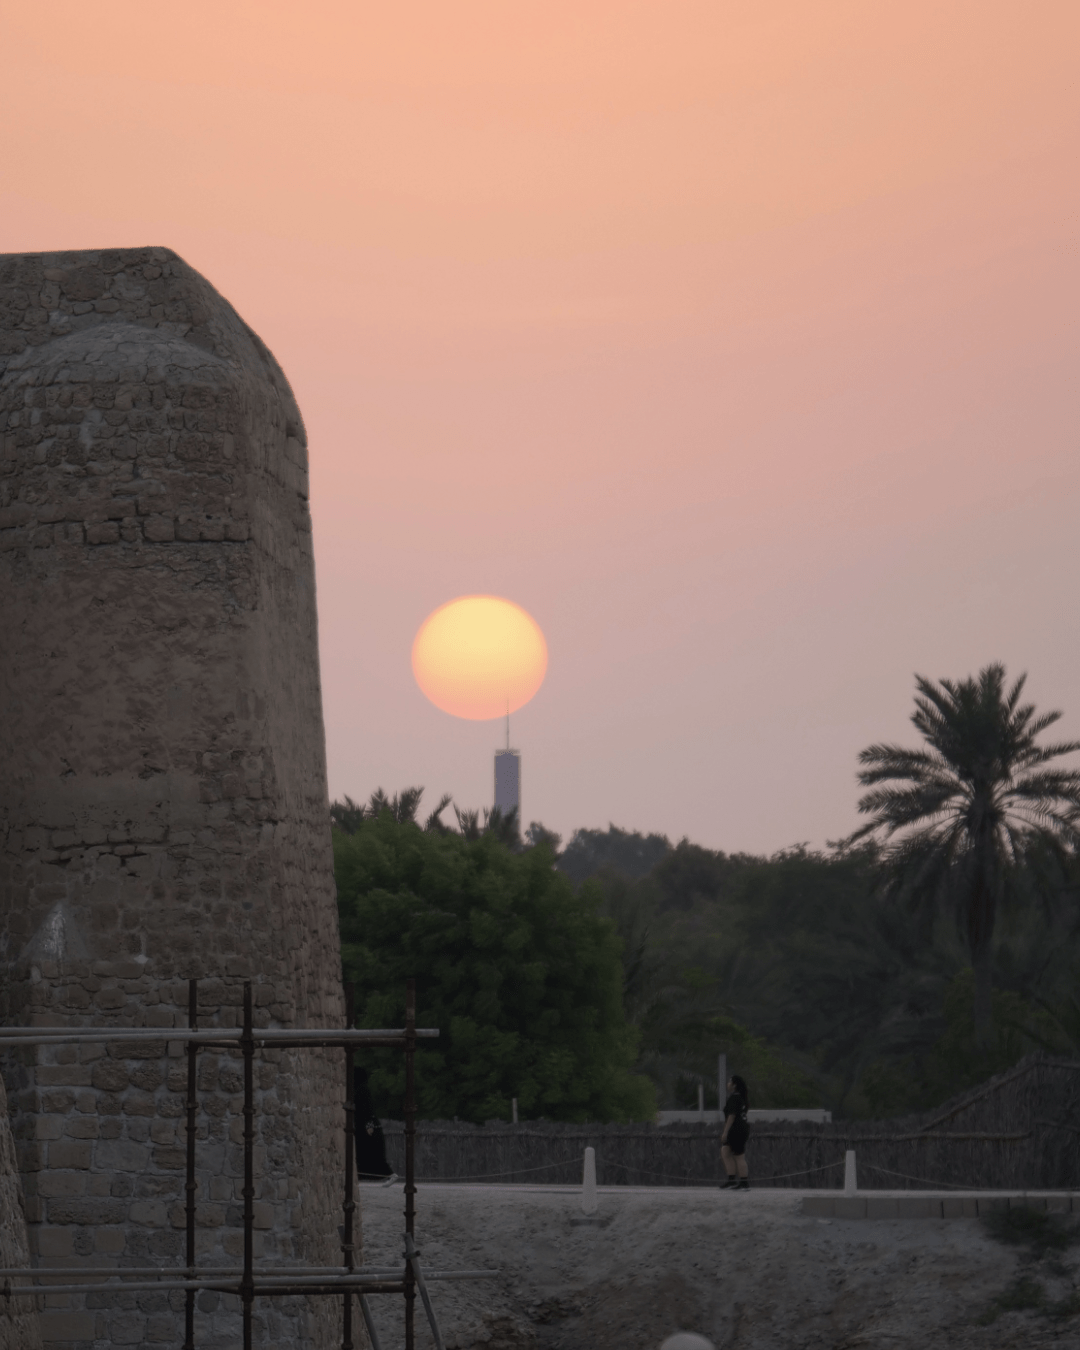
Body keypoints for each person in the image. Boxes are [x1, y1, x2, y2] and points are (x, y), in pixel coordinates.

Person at [354, 1067, 393, 1180]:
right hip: (361, 1125)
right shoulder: (360, 1089)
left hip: (363, 1126)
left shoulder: (362, 1090)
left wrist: (369, 1125)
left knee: (368, 1150)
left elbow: (367, 1110)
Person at [719, 1074, 750, 1191]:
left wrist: (725, 1132)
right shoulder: (741, 1098)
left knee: (739, 1156)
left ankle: (744, 1182)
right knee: (725, 1151)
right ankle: (731, 1179)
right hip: (740, 1129)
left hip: (736, 1130)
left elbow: (731, 1116)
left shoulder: (735, 1098)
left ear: (734, 1085)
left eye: (729, 1082)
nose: (727, 1084)